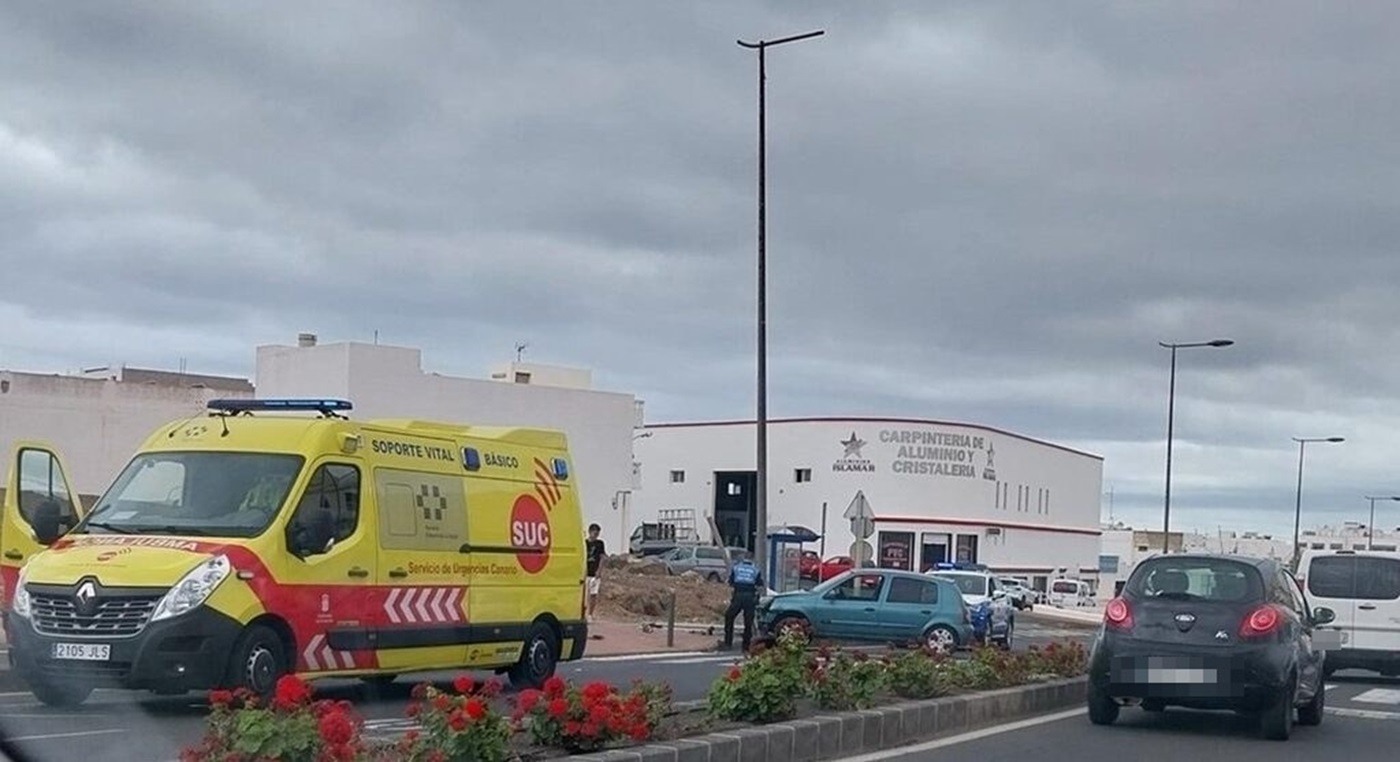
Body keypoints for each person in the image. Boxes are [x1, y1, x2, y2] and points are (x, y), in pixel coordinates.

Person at [722, 555, 764, 651]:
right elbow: (760, 584)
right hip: (750, 597)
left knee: (729, 616)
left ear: (743, 559)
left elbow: (731, 582)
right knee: (748, 622)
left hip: (738, 596)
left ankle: (728, 643)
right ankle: (746, 646)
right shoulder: (755, 570)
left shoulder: (736, 568)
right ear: (752, 560)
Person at [584, 523, 605, 622]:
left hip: (595, 573)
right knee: (584, 595)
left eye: (597, 533)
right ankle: (582, 613)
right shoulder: (584, 543)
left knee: (593, 594)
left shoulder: (600, 544)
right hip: (585, 572)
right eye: (594, 533)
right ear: (590, 532)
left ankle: (590, 614)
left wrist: (599, 571)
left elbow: (602, 558)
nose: (596, 535)